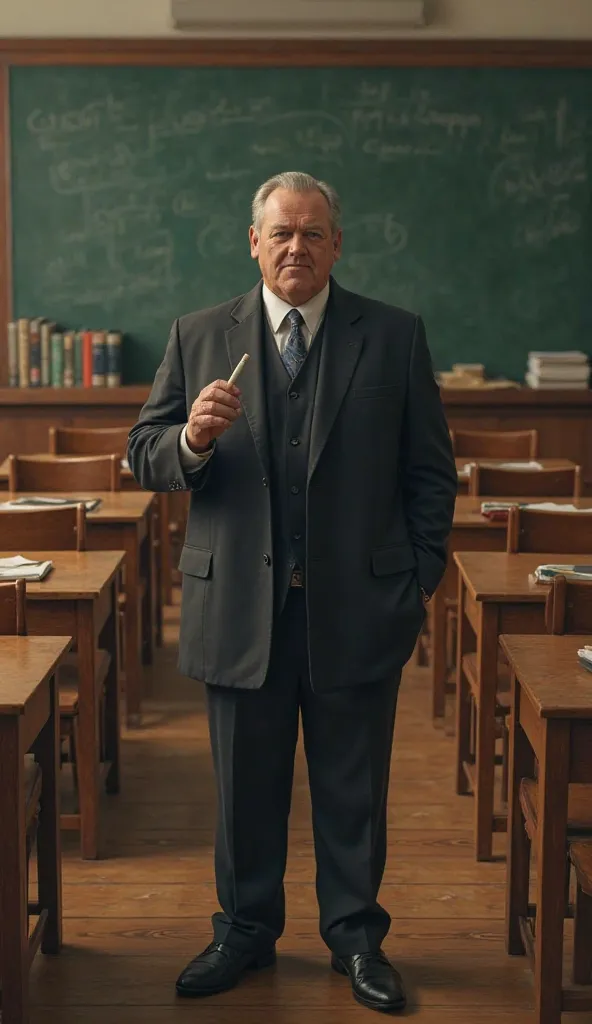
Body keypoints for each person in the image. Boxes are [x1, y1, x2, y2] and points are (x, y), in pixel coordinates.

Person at [127, 171, 457, 1014]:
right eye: (281, 233)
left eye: (313, 233)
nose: (297, 248)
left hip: (358, 608)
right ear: (254, 242)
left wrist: (414, 582)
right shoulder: (200, 334)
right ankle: (243, 931)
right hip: (238, 606)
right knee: (245, 789)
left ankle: (356, 939)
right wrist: (191, 440)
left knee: (354, 790)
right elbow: (143, 452)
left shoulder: (392, 336)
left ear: (337, 245)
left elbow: (430, 475)